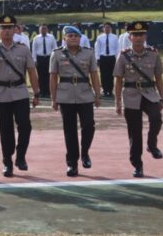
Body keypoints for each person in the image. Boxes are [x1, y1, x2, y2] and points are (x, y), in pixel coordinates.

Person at [0, 14, 41, 178]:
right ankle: (7, 161)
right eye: (3, 28)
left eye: (9, 28)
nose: (7, 31)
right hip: (1, 94)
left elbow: (32, 72)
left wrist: (36, 92)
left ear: (15, 30)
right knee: (6, 129)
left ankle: (20, 156)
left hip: (20, 91)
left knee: (25, 126)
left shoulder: (23, 49)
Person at [114, 21, 163, 178]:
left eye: (141, 34)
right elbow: (118, 80)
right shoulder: (123, 56)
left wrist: (162, 97)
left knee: (156, 118)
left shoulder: (153, 54)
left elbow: (158, 78)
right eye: (135, 35)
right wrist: (118, 102)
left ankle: (152, 144)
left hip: (149, 94)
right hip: (131, 95)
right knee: (135, 133)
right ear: (129, 37)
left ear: (145, 36)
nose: (138, 37)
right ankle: (137, 165)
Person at [49, 25, 101, 177]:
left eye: (76, 36)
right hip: (65, 95)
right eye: (70, 36)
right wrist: (53, 98)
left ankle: (85, 152)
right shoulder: (57, 54)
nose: (73, 38)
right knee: (70, 130)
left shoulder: (89, 53)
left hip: (85, 94)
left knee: (89, 125)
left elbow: (94, 75)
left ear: (80, 38)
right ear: (64, 38)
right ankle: (72, 163)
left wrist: (98, 95)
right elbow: (53, 77)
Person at [31, 24, 57, 97]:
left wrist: (55, 59)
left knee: (49, 75)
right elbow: (34, 50)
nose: (43, 30)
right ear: (39, 30)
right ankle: (42, 92)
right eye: (42, 29)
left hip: (49, 58)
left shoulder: (51, 37)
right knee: (41, 75)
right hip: (40, 58)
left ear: (47, 29)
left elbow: (55, 48)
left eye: (45, 29)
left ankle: (48, 92)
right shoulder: (36, 38)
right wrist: (34, 60)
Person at [95, 22, 118, 98]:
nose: (107, 29)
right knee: (103, 74)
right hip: (103, 57)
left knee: (111, 74)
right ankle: (105, 90)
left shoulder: (115, 37)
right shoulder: (99, 37)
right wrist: (98, 58)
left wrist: (117, 58)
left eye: (108, 27)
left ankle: (110, 90)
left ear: (111, 28)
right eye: (105, 27)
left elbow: (117, 48)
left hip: (111, 57)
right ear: (103, 28)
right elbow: (97, 49)